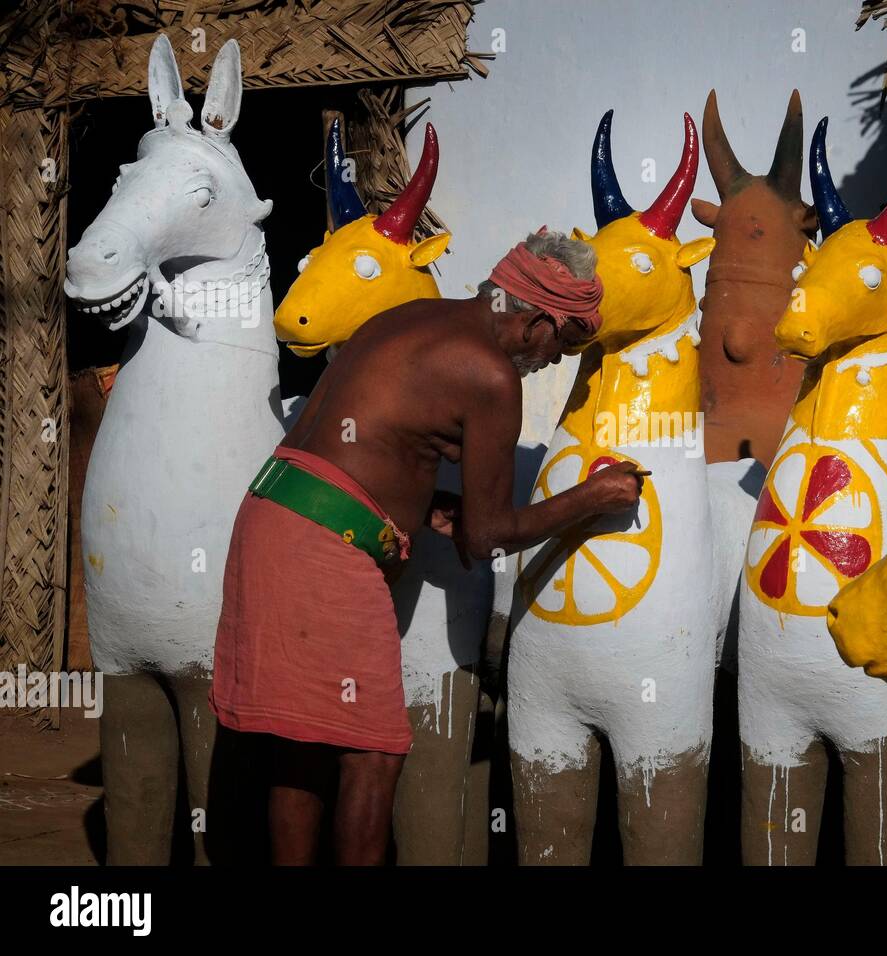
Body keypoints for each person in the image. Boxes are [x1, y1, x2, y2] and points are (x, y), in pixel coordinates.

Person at [209, 231, 643, 864]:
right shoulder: (491, 374)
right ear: (537, 321)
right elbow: (488, 536)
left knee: (301, 746)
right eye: (568, 342)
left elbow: (376, 441)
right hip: (323, 551)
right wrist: (593, 497)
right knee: (373, 751)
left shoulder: (411, 317)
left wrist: (419, 506)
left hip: (272, 519)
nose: (558, 361)